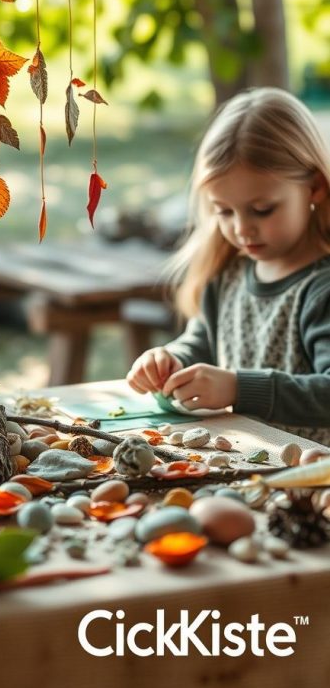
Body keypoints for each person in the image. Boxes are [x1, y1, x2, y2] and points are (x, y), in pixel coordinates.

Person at [127, 87, 330, 445]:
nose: (241, 228)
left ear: (314, 187)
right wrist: (171, 360)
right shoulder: (229, 274)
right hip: (245, 466)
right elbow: (202, 341)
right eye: (224, 211)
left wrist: (238, 387)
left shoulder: (321, 289)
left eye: (263, 209)